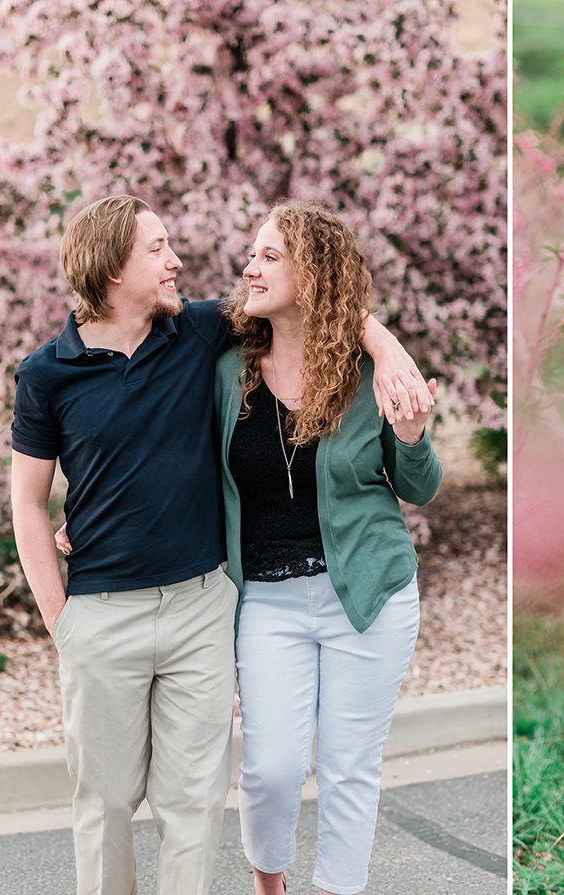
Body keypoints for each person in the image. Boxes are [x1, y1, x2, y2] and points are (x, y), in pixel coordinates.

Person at [10, 194, 429, 895]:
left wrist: (384, 347)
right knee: (110, 802)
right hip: (106, 610)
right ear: (113, 267)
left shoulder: (198, 330)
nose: (179, 261)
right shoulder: (49, 373)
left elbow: (320, 301)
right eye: (158, 248)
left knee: (194, 805)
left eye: (172, 247)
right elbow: (28, 501)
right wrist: (63, 619)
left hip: (205, 605)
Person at [215, 199, 442, 895]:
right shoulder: (226, 367)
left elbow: (421, 487)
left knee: (349, 765)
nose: (250, 266)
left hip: (367, 592)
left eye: (270, 255)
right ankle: (270, 885)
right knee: (272, 765)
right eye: (252, 253)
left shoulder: (365, 371)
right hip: (267, 600)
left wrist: (411, 435)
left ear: (312, 273)